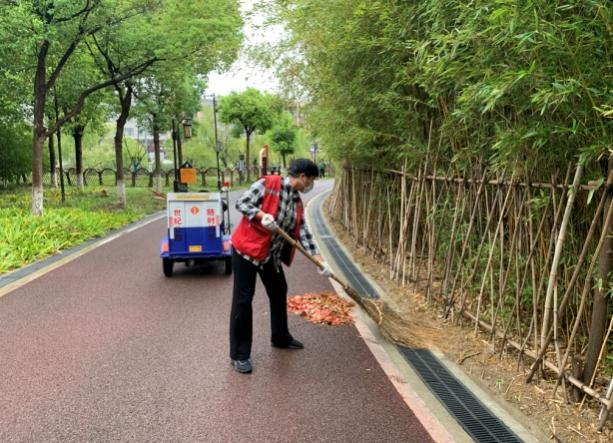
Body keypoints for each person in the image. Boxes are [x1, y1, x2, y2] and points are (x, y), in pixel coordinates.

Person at [229, 158, 331, 373]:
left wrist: (319, 259)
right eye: (311, 180)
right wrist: (261, 216)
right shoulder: (268, 184)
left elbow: (302, 231)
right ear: (302, 176)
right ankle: (239, 355)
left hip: (269, 255)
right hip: (247, 251)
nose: (310, 184)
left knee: (278, 291)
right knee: (243, 300)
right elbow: (242, 203)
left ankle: (280, 337)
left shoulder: (296, 202)